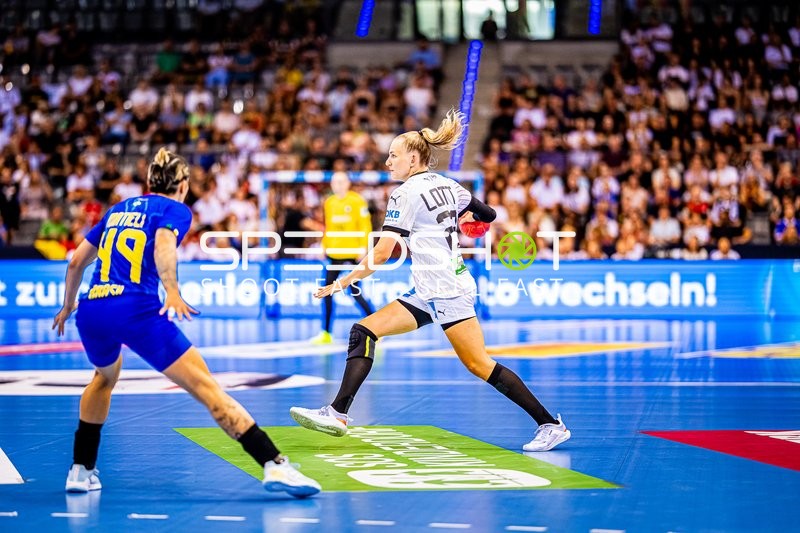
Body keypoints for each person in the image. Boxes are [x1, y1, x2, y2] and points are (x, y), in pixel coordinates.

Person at [290, 110, 570, 452]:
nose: (388, 161)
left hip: (447, 290)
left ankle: (550, 425)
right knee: (364, 330)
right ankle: (338, 413)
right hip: (429, 288)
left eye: (393, 155)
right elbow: (490, 215)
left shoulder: (404, 194)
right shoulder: (449, 185)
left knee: (479, 364)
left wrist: (341, 282)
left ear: (412, 158)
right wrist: (468, 220)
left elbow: (381, 255)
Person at [52, 148, 320, 498]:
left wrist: (68, 304)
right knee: (207, 388)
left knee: (103, 378)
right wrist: (172, 290)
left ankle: (79, 470)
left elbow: (76, 263)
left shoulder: (117, 210)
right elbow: (164, 244)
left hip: (93, 310)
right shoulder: (174, 209)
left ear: (149, 182)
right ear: (182, 185)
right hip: (136, 309)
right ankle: (274, 464)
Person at [310, 172, 374, 344]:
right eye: (335, 182)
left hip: (353, 252)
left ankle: (376, 328)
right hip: (335, 253)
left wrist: (364, 247)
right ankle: (326, 333)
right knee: (327, 291)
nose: (337, 185)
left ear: (347, 183)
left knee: (355, 291)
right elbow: (328, 226)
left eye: (341, 182)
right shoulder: (329, 202)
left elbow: (365, 225)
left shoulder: (357, 201)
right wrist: (324, 245)